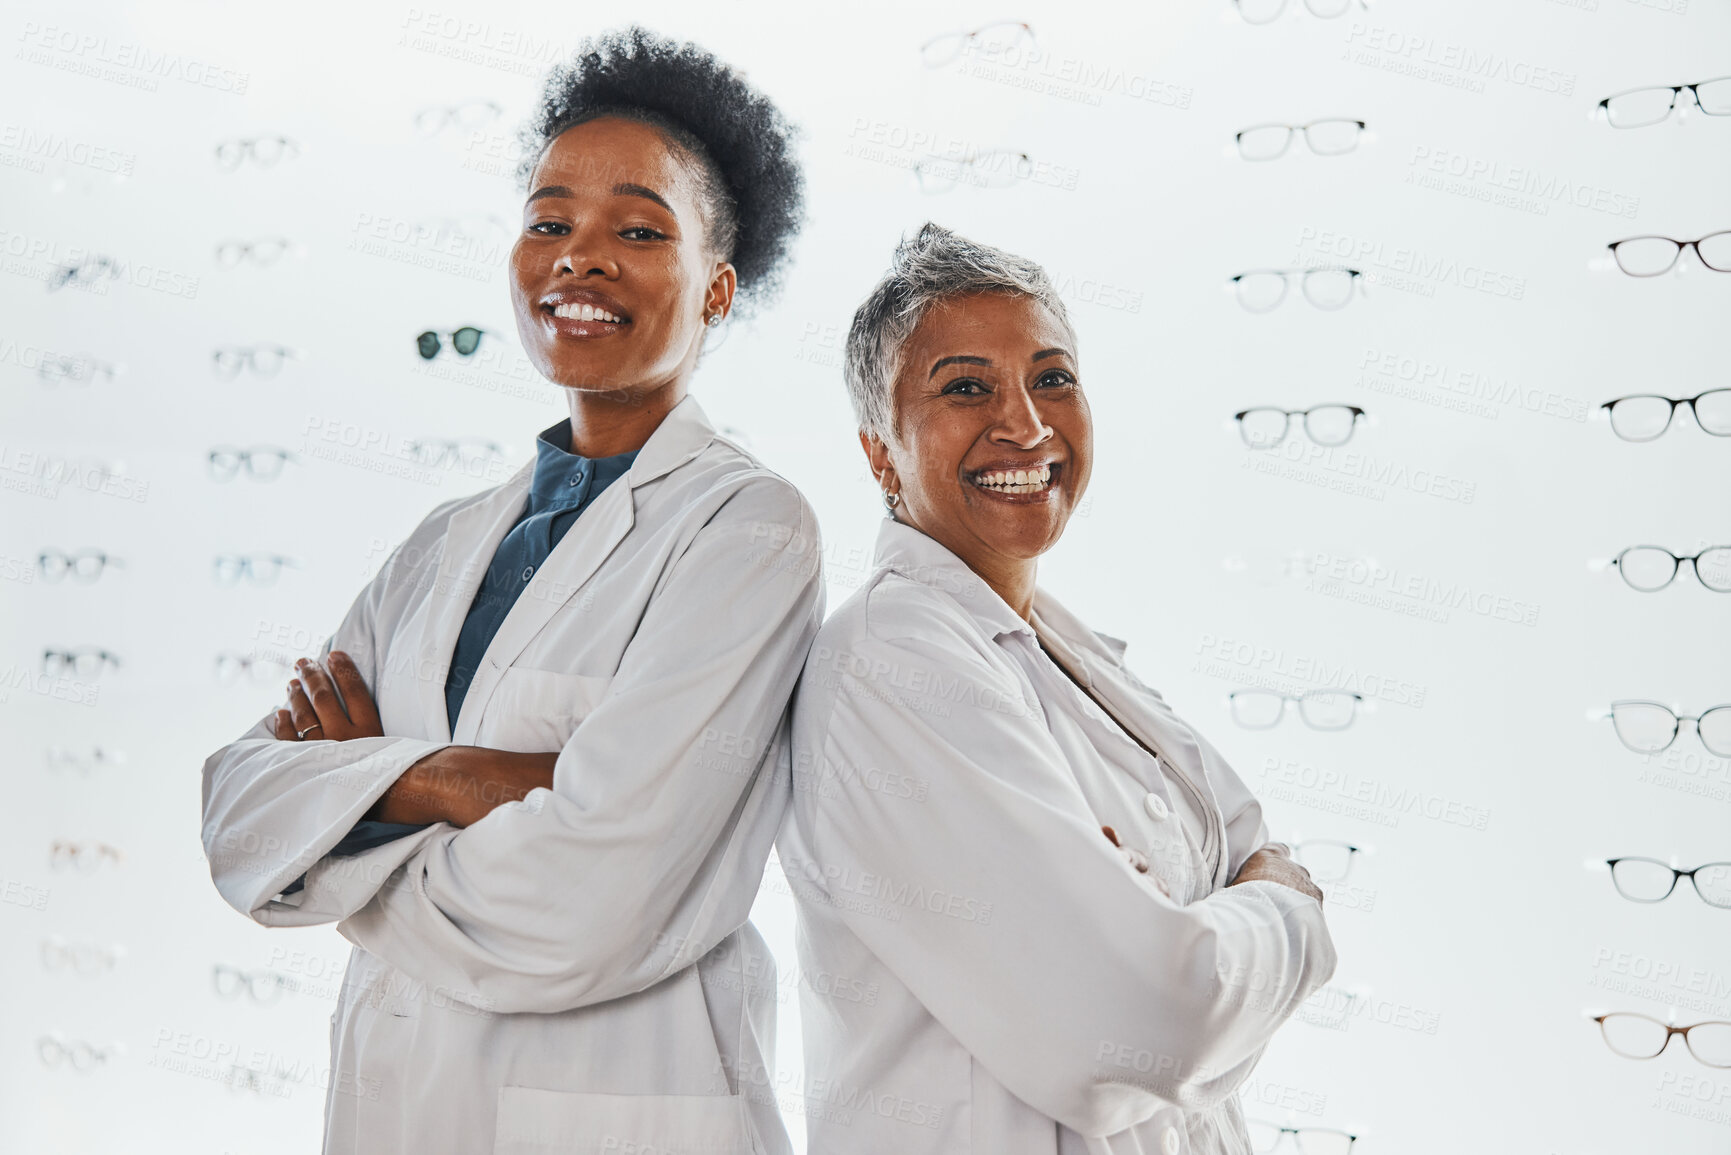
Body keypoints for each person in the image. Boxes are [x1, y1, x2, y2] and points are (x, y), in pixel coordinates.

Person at [200, 28, 817, 1154]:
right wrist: (471, 783)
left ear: (718, 290)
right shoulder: (446, 541)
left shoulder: (748, 530)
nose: (578, 260)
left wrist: (353, 812)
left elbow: (587, 903)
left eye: (639, 229)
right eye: (548, 223)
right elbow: (241, 814)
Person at [778, 223, 1338, 1154]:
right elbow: (1141, 1025)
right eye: (965, 388)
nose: (1027, 426)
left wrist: (1188, 929)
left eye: (1052, 378)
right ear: (879, 451)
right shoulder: (893, 664)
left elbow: (1239, 838)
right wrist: (1286, 912)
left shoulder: (1060, 650)